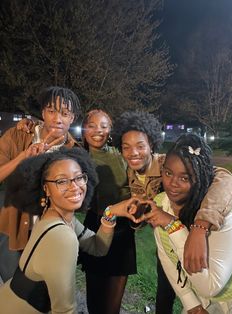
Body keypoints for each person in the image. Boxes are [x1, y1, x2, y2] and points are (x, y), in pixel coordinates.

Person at [112, 111, 232, 314]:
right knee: (166, 290)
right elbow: (151, 213)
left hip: (197, 240)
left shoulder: (169, 161)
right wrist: (136, 215)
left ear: (152, 145)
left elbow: (224, 177)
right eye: (126, 147)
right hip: (166, 242)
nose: (133, 153)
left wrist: (200, 225)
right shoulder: (129, 173)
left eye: (140, 146)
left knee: (177, 290)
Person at [0, 147, 137, 314]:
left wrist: (110, 212)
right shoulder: (62, 237)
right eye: (61, 181)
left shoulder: (55, 216)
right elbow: (64, 310)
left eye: (79, 177)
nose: (75, 187)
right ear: (46, 189)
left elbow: (97, 247)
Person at [0, 86, 81, 282]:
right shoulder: (17, 135)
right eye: (51, 111)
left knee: (42, 295)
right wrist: (23, 157)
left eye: (65, 113)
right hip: (12, 227)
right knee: (13, 291)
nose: (57, 119)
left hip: (50, 232)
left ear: (73, 118)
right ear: (43, 112)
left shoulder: (75, 152)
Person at [79, 109, 136, 314]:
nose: (98, 131)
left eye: (104, 126)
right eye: (92, 125)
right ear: (85, 129)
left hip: (122, 228)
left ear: (110, 130)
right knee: (95, 295)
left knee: (114, 301)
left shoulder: (121, 154)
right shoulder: (78, 154)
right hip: (96, 226)